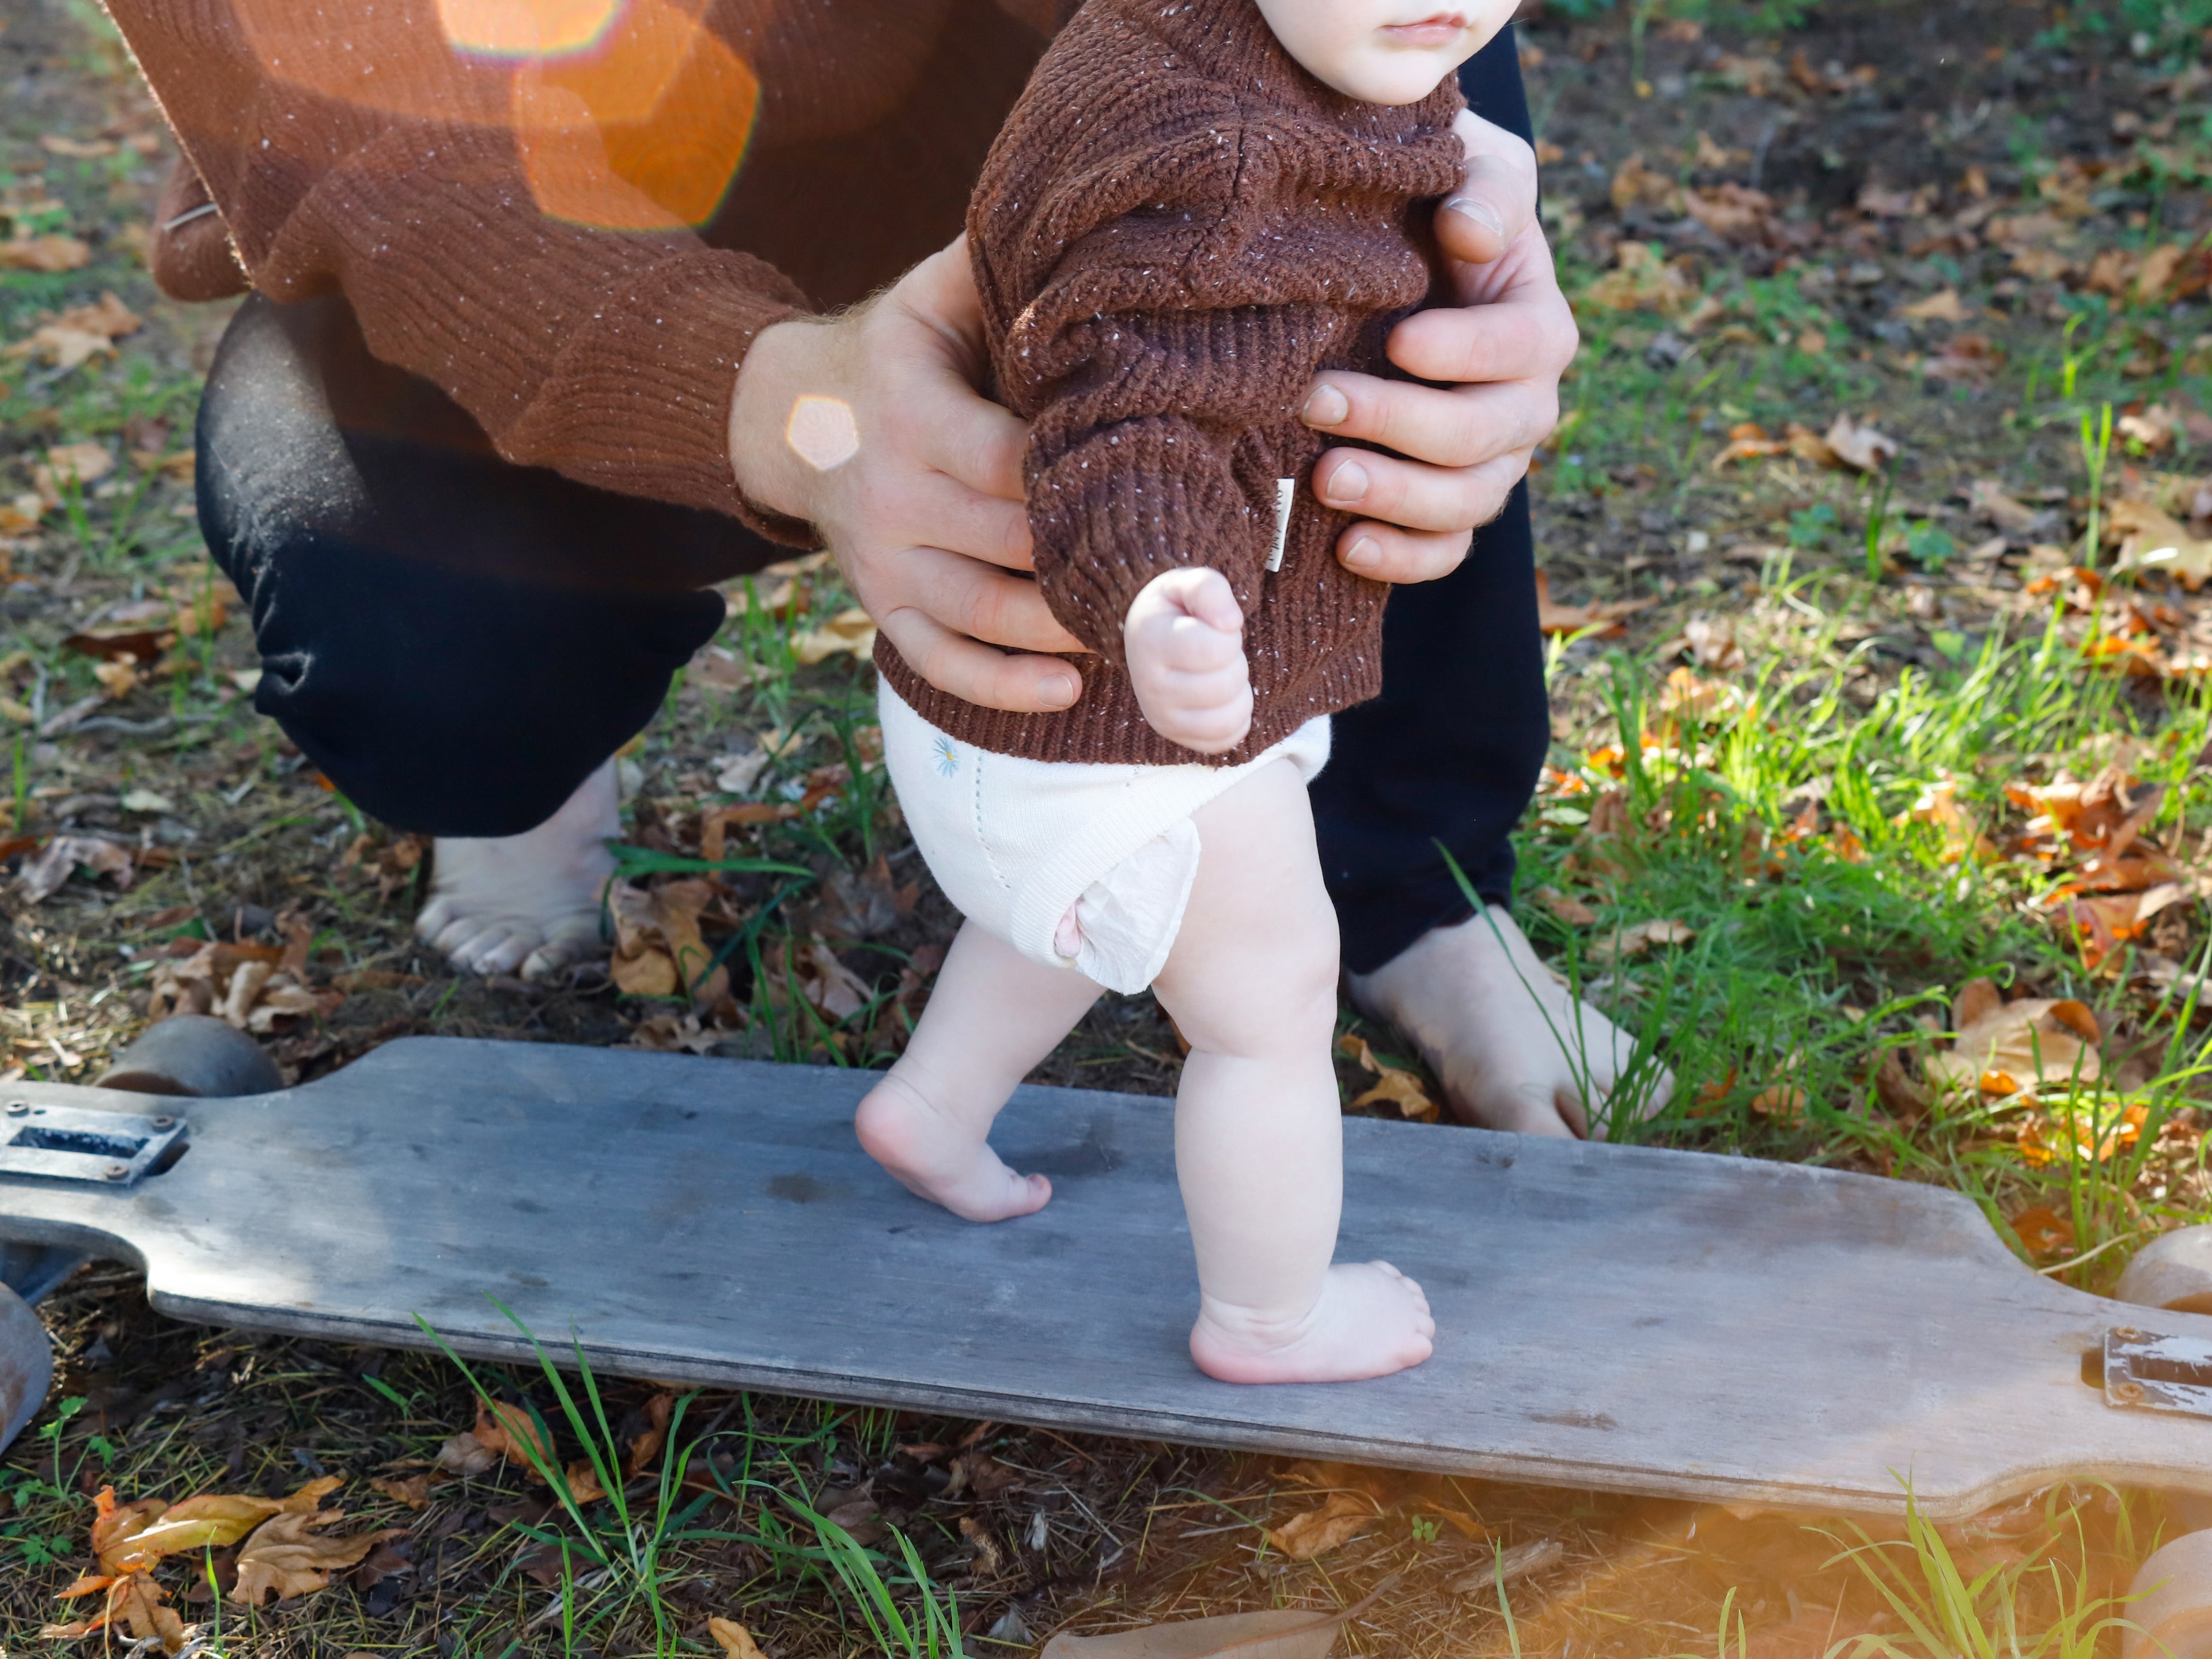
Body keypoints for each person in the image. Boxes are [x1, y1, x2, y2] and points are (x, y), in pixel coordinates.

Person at [109, 0, 1661, 1140]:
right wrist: (767, 401)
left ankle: (1404, 881)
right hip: (499, 195)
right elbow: (349, 143)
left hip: (1014, 92)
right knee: (428, 665)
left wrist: (1413, 158)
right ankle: (537, 744)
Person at [855, 0, 1527, 1384]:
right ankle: (1272, 1315)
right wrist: (1156, 586)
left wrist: (1474, 159)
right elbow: (1128, 425)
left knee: (1086, 909)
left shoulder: (1222, 40)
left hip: (1018, 720)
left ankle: (935, 1105)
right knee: (1267, 1005)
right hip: (1136, 700)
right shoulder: (1217, 174)